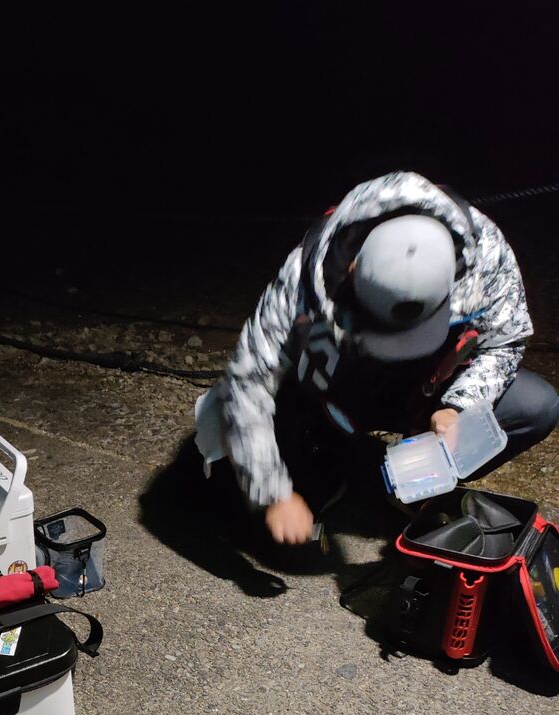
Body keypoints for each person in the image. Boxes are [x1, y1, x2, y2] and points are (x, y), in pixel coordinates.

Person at [196, 171, 559, 545]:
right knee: (270, 528)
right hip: (337, 385)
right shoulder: (307, 272)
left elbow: (506, 341)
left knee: (536, 406)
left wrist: (458, 406)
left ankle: (409, 486)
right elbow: (248, 380)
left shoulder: (485, 256)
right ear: (353, 269)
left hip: (425, 387)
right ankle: (323, 454)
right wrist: (272, 491)